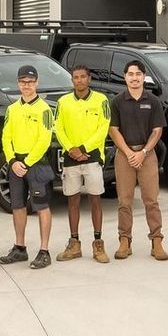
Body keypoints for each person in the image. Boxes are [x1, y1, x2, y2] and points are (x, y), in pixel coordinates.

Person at [107, 60, 167, 261]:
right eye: (130, 74)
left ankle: (156, 240)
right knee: (124, 201)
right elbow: (113, 130)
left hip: (147, 155)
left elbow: (157, 130)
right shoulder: (117, 102)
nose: (134, 78)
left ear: (143, 77)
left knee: (151, 200)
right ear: (125, 77)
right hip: (124, 155)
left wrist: (143, 152)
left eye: (138, 74)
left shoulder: (153, 101)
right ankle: (125, 240)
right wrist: (129, 153)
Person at [0, 64, 55, 270]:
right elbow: (6, 136)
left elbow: (44, 139)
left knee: (42, 206)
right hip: (15, 165)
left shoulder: (44, 109)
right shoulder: (12, 109)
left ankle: (44, 250)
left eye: (30, 82)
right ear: (18, 84)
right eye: (23, 82)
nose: (27, 86)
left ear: (37, 83)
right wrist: (13, 161)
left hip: (36, 164)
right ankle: (19, 247)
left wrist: (27, 162)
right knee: (17, 206)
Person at [54, 65, 110, 264]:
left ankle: (98, 243)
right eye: (75, 77)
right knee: (73, 200)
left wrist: (84, 148)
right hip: (71, 159)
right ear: (72, 80)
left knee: (95, 199)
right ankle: (74, 243)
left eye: (83, 77)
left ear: (89, 79)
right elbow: (58, 128)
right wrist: (71, 148)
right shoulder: (63, 102)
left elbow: (103, 128)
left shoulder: (101, 100)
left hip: (93, 157)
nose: (79, 80)